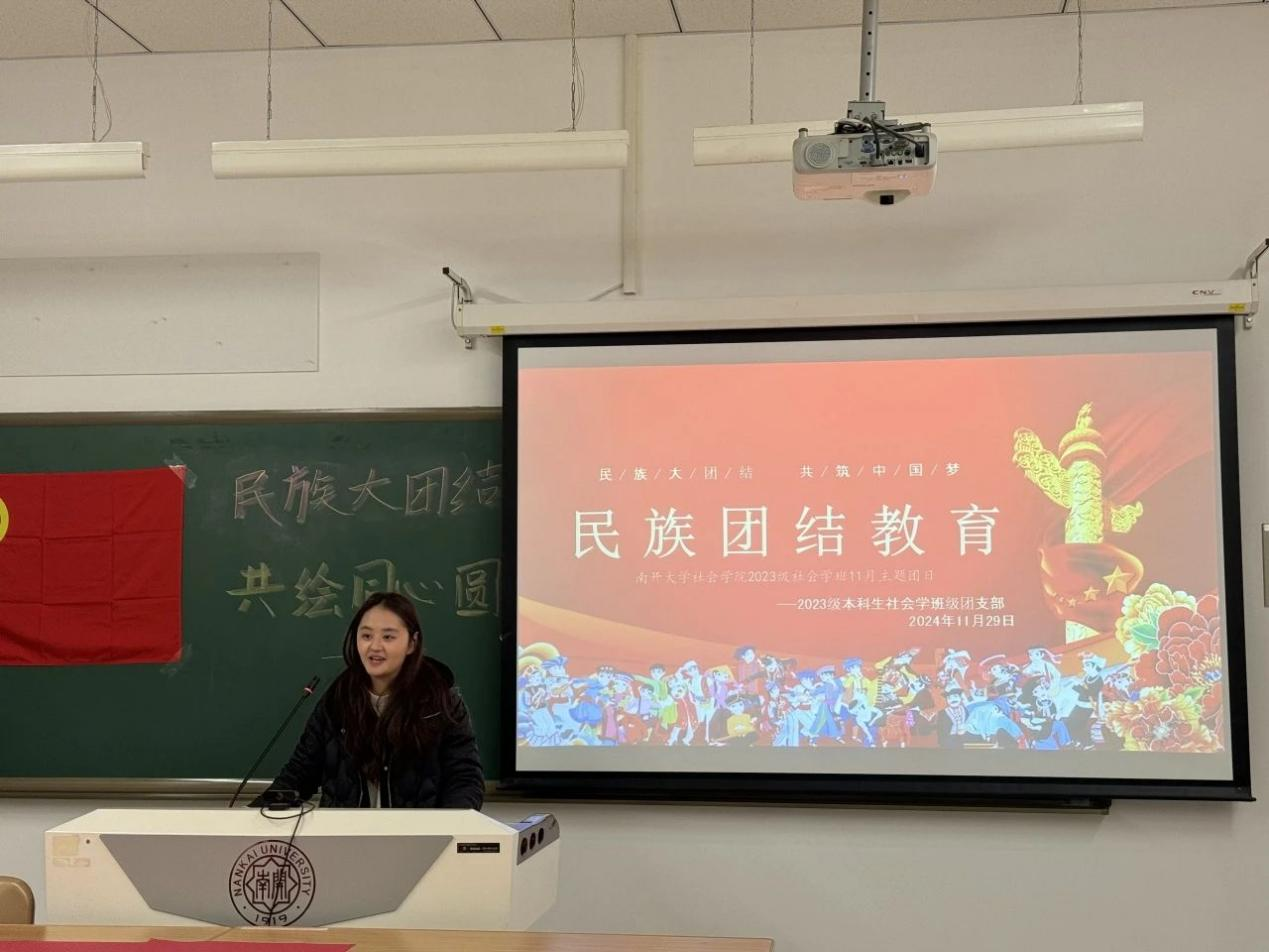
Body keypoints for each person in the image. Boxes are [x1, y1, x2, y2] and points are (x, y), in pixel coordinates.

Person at [254, 591, 484, 809]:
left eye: (388, 637)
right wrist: (248, 818)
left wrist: (447, 828)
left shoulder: (441, 702)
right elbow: (298, 775)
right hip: (346, 835)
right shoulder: (337, 699)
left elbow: (465, 779)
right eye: (366, 636)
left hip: (419, 836)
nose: (374, 646)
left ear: (412, 643)